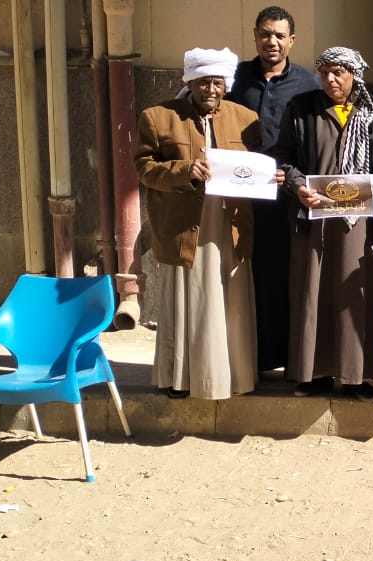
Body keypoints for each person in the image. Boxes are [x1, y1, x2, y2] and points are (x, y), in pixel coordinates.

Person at [134, 47, 260, 400]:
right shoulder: (158, 117)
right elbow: (144, 168)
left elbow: (256, 165)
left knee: (229, 299)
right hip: (184, 226)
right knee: (187, 299)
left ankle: (234, 378)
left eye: (217, 82)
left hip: (229, 225)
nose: (211, 90)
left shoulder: (245, 118)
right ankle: (182, 378)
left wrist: (270, 177)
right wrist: (183, 170)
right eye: (203, 82)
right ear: (189, 82)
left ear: (227, 84)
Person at [269, 47, 373, 401]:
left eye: (338, 73)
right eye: (325, 73)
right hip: (314, 218)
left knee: (354, 296)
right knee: (313, 293)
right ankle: (314, 374)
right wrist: (297, 186)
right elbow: (282, 157)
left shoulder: (372, 113)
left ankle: (355, 377)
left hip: (357, 221)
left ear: (355, 76)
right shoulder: (302, 109)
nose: (330, 80)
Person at [226, 5, 320, 376]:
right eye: (265, 34)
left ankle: (289, 358)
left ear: (291, 40)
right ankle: (253, 358)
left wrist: (299, 179)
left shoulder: (309, 83)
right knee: (248, 275)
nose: (272, 42)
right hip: (240, 194)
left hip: (288, 196)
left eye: (280, 35)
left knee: (285, 274)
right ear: (255, 36)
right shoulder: (234, 79)